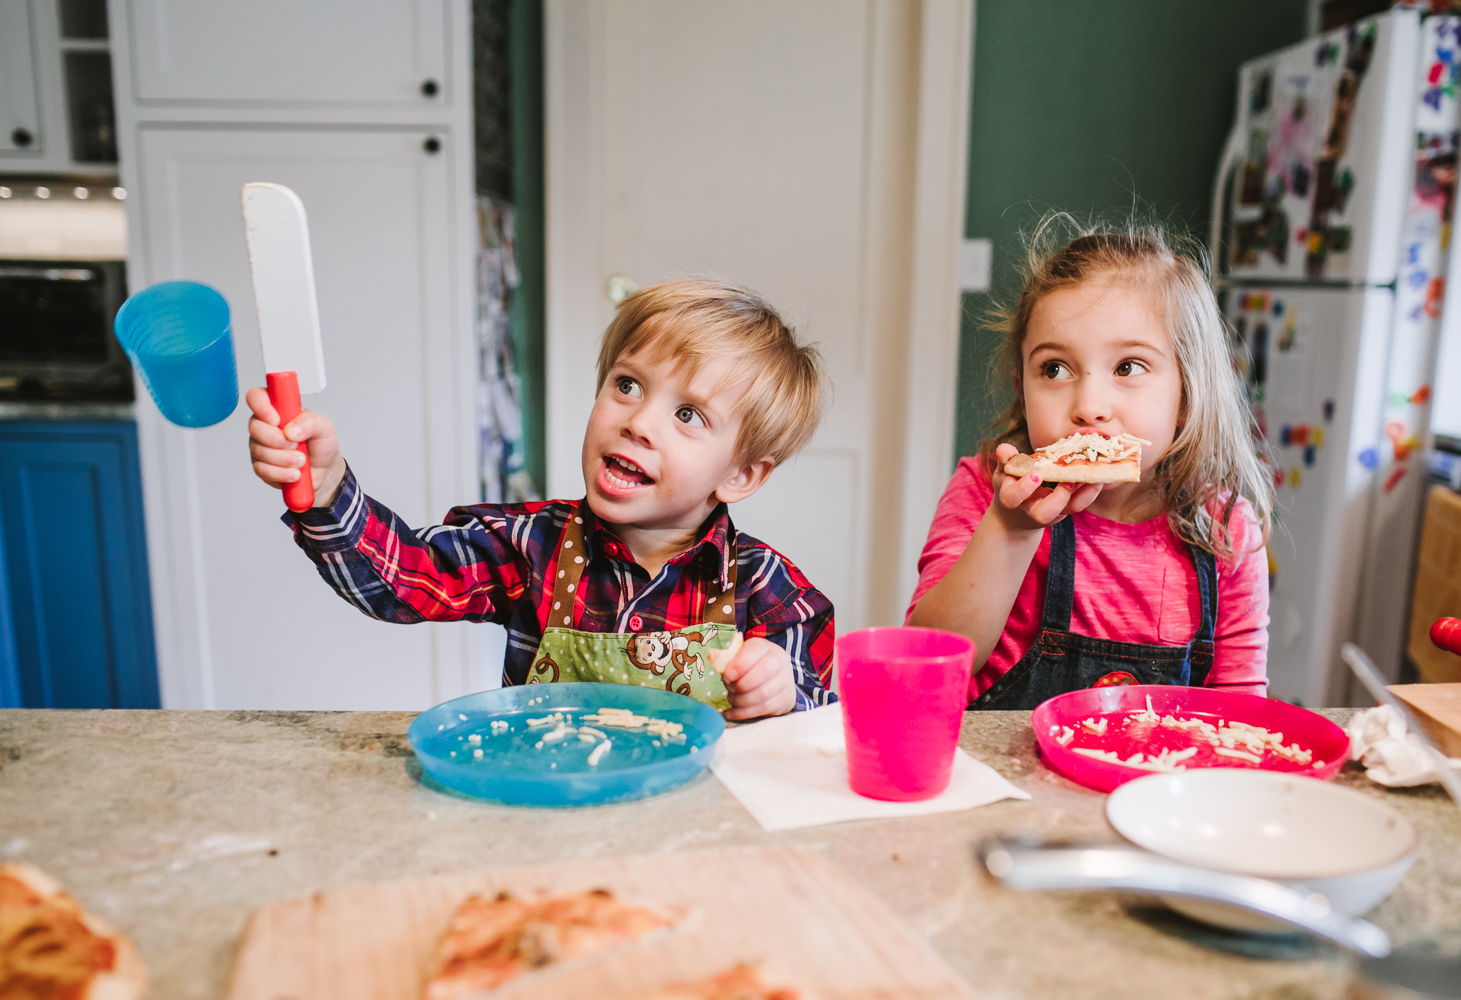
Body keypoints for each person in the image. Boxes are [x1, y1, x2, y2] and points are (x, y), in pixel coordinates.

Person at [246, 279, 835, 720]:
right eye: (627, 385)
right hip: (547, 819)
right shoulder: (529, 546)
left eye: (687, 414)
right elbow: (400, 579)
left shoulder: (771, 591)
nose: (638, 422)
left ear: (739, 476)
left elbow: (822, 721)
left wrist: (783, 695)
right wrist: (325, 491)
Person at [907, 219, 1273, 709]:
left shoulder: (1226, 531)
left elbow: (1241, 712)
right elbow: (925, 665)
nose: (1089, 404)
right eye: (1054, 369)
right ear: (1022, 389)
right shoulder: (984, 489)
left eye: (1128, 367)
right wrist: (1009, 528)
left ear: (1187, 394)